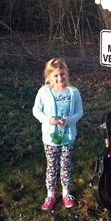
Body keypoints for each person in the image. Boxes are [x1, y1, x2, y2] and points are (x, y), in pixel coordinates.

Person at [33, 58, 83, 210]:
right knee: (52, 166)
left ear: (67, 74)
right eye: (55, 76)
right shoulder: (44, 92)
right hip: (50, 138)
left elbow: (79, 112)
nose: (60, 78)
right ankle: (51, 195)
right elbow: (36, 110)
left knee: (65, 164)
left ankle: (66, 193)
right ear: (49, 76)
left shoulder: (73, 92)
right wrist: (48, 120)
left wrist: (68, 121)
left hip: (67, 137)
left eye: (62, 74)